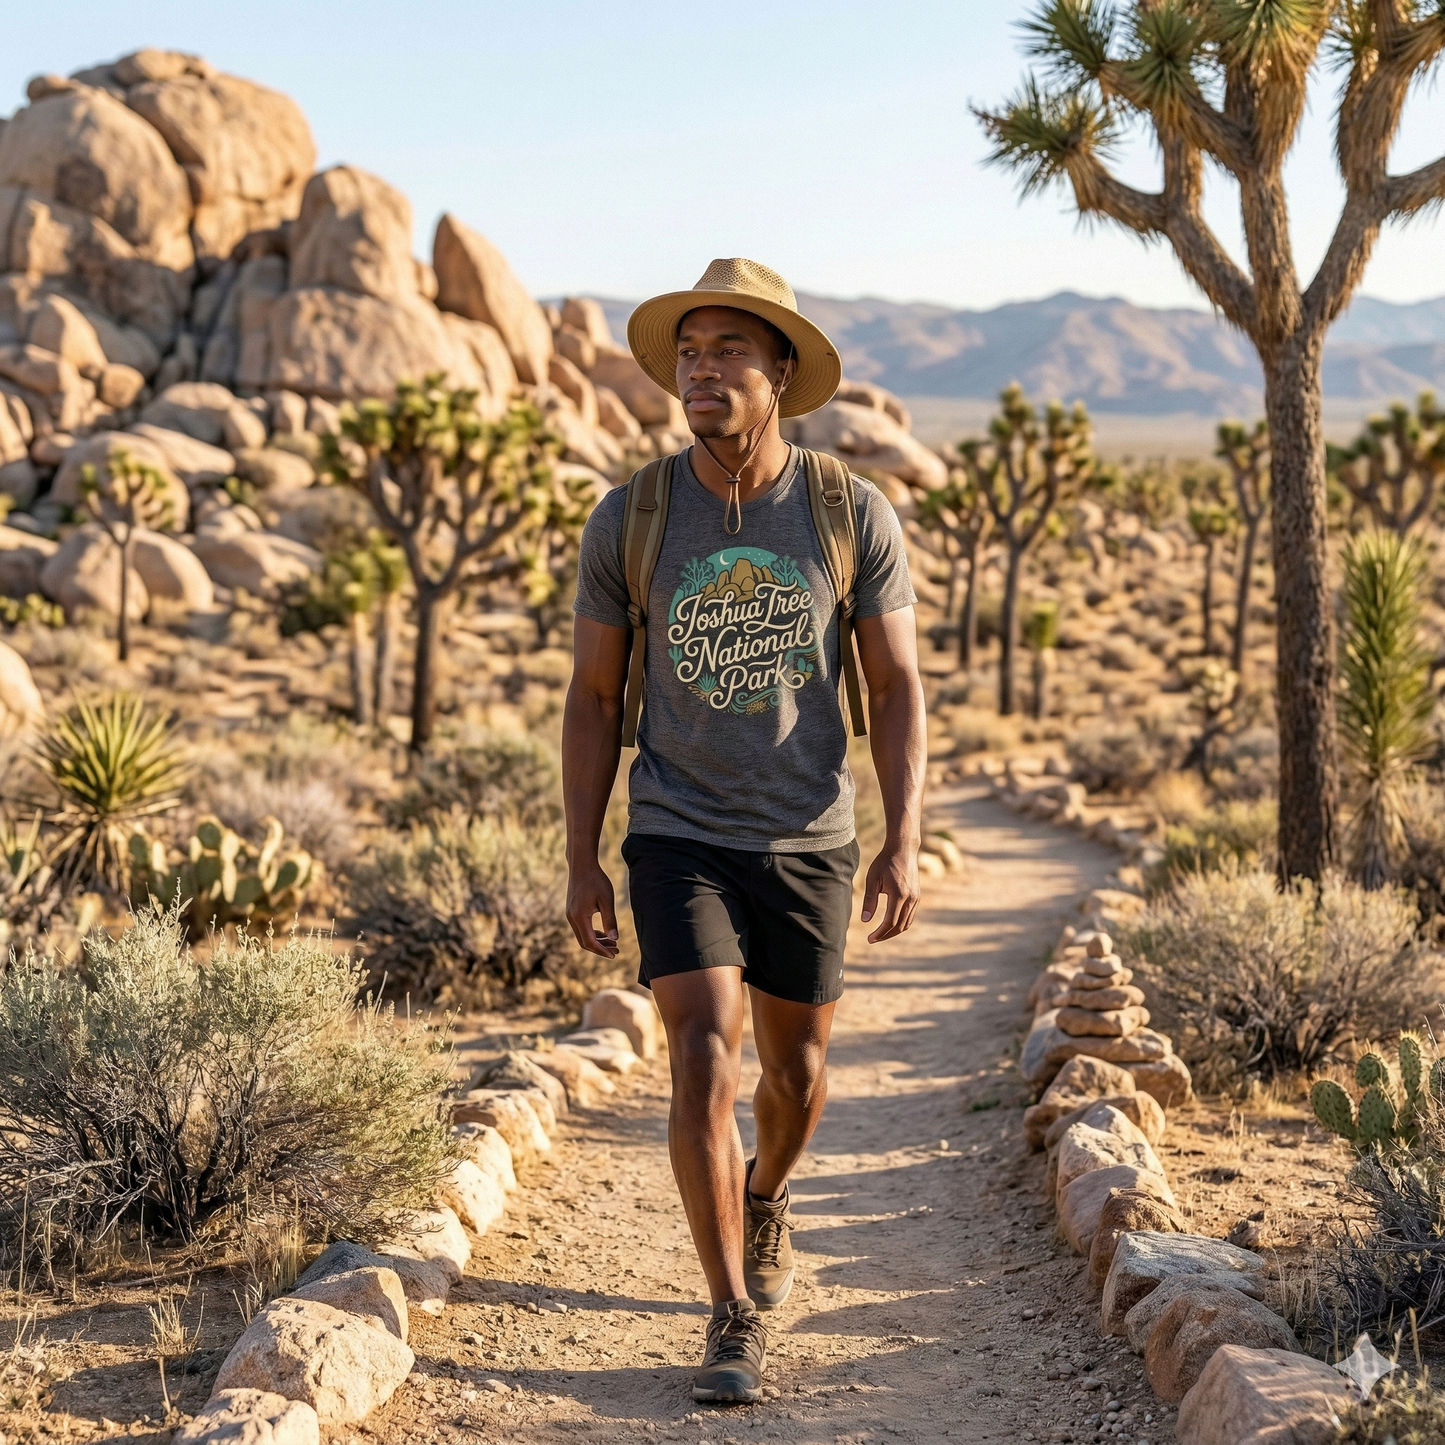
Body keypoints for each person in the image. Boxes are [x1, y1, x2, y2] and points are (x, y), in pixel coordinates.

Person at [562, 258, 926, 1404]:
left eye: (727, 350)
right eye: (688, 352)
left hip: (807, 829)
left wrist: (901, 833)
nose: (701, 370)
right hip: (677, 826)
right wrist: (581, 853)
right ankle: (728, 1310)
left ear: (779, 372)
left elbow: (895, 683)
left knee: (797, 1072)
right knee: (700, 1052)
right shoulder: (632, 515)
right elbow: (592, 695)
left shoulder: (845, 511)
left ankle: (763, 1193)